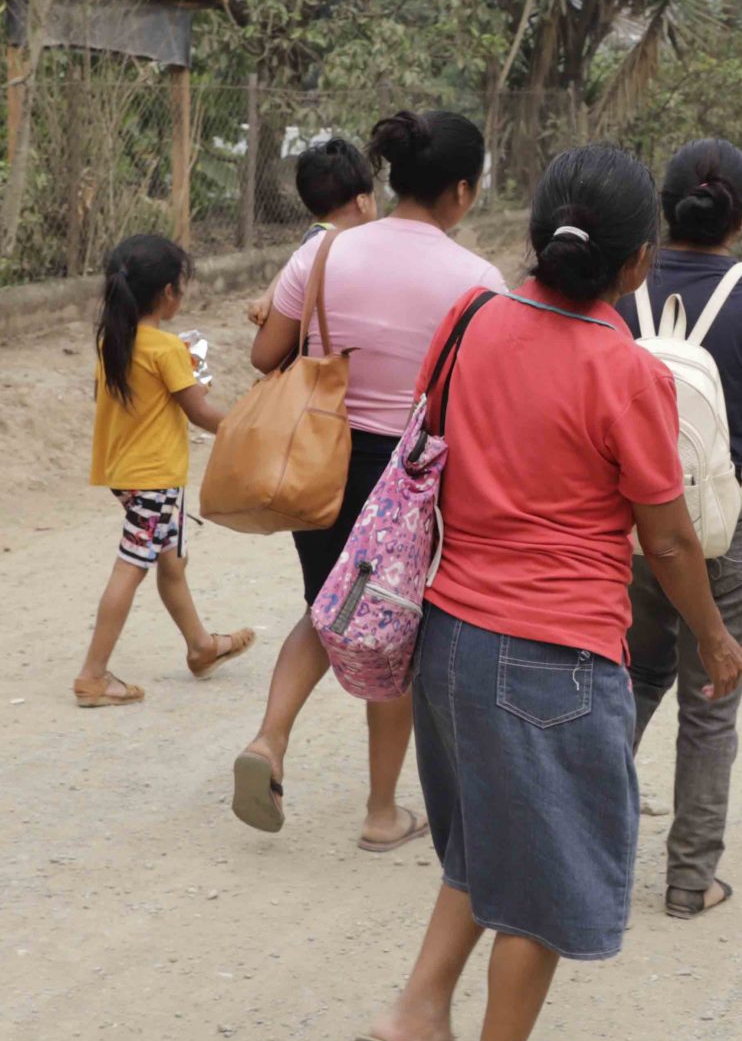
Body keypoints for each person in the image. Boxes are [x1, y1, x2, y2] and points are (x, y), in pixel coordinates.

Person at [353, 144, 742, 1041]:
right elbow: (664, 535)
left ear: (533, 236)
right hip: (553, 657)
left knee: (489, 839)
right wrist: (711, 636)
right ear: (636, 264)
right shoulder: (623, 370)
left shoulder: (473, 318)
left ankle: (419, 1014)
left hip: (446, 638)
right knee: (543, 864)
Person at [231, 111, 505, 850]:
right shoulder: (478, 281)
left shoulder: (322, 258)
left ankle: (268, 738)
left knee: (328, 606)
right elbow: (481, 395)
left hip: (321, 459)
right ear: (461, 191)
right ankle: (382, 813)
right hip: (409, 479)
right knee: (393, 632)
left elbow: (266, 355)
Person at [619, 139, 742, 919]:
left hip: (634, 516)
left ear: (663, 210)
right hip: (729, 521)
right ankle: (689, 878)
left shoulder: (627, 280)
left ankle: (578, 841)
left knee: (629, 678)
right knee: (712, 692)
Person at [79, 234, 257, 708]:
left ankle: (200, 646)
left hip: (126, 471)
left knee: (170, 561)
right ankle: (92, 676)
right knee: (132, 566)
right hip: (155, 475)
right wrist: (252, 428)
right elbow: (200, 413)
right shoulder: (167, 350)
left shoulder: (114, 341)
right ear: (167, 294)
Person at [243, 135, 380, 331]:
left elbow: (293, 268)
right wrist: (267, 298)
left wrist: (267, 297)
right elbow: (292, 269)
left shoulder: (327, 237)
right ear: (362, 202)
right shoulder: (321, 239)